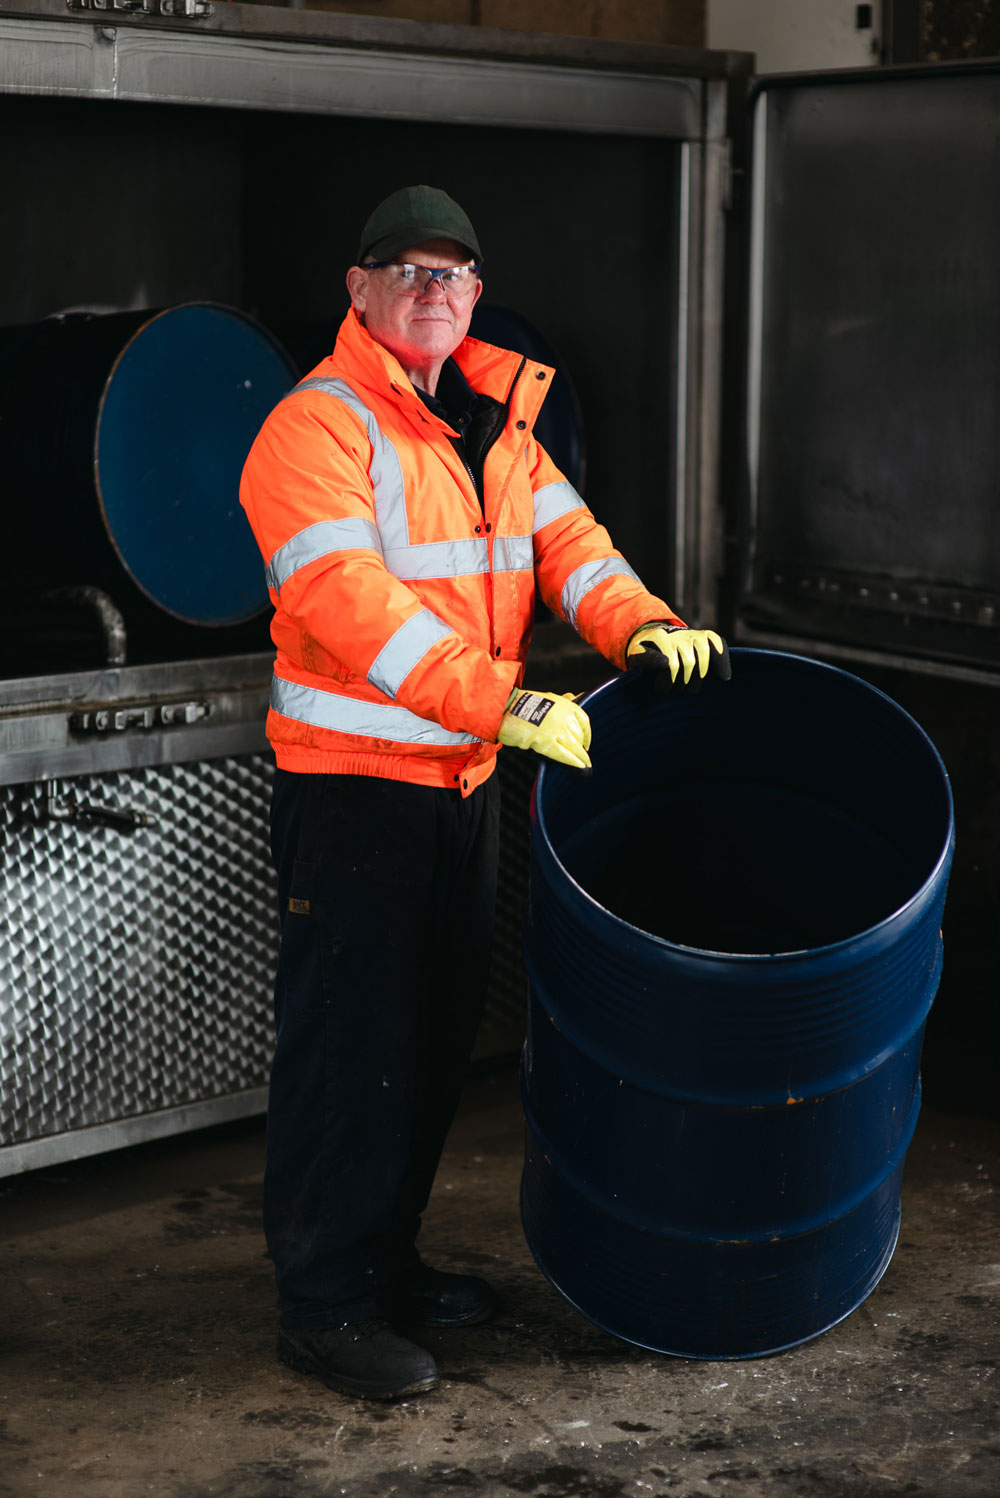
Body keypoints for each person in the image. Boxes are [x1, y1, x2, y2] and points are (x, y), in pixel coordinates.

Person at [239, 185, 730, 1402]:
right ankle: (325, 1301)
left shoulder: (501, 423)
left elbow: (576, 549)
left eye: (452, 275)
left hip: (457, 785)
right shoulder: (318, 427)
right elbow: (351, 603)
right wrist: (496, 705)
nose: (432, 292)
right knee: (351, 1055)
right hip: (356, 789)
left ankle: (384, 1261)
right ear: (356, 288)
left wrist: (646, 630)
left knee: (428, 1041)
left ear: (473, 293)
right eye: (405, 270)